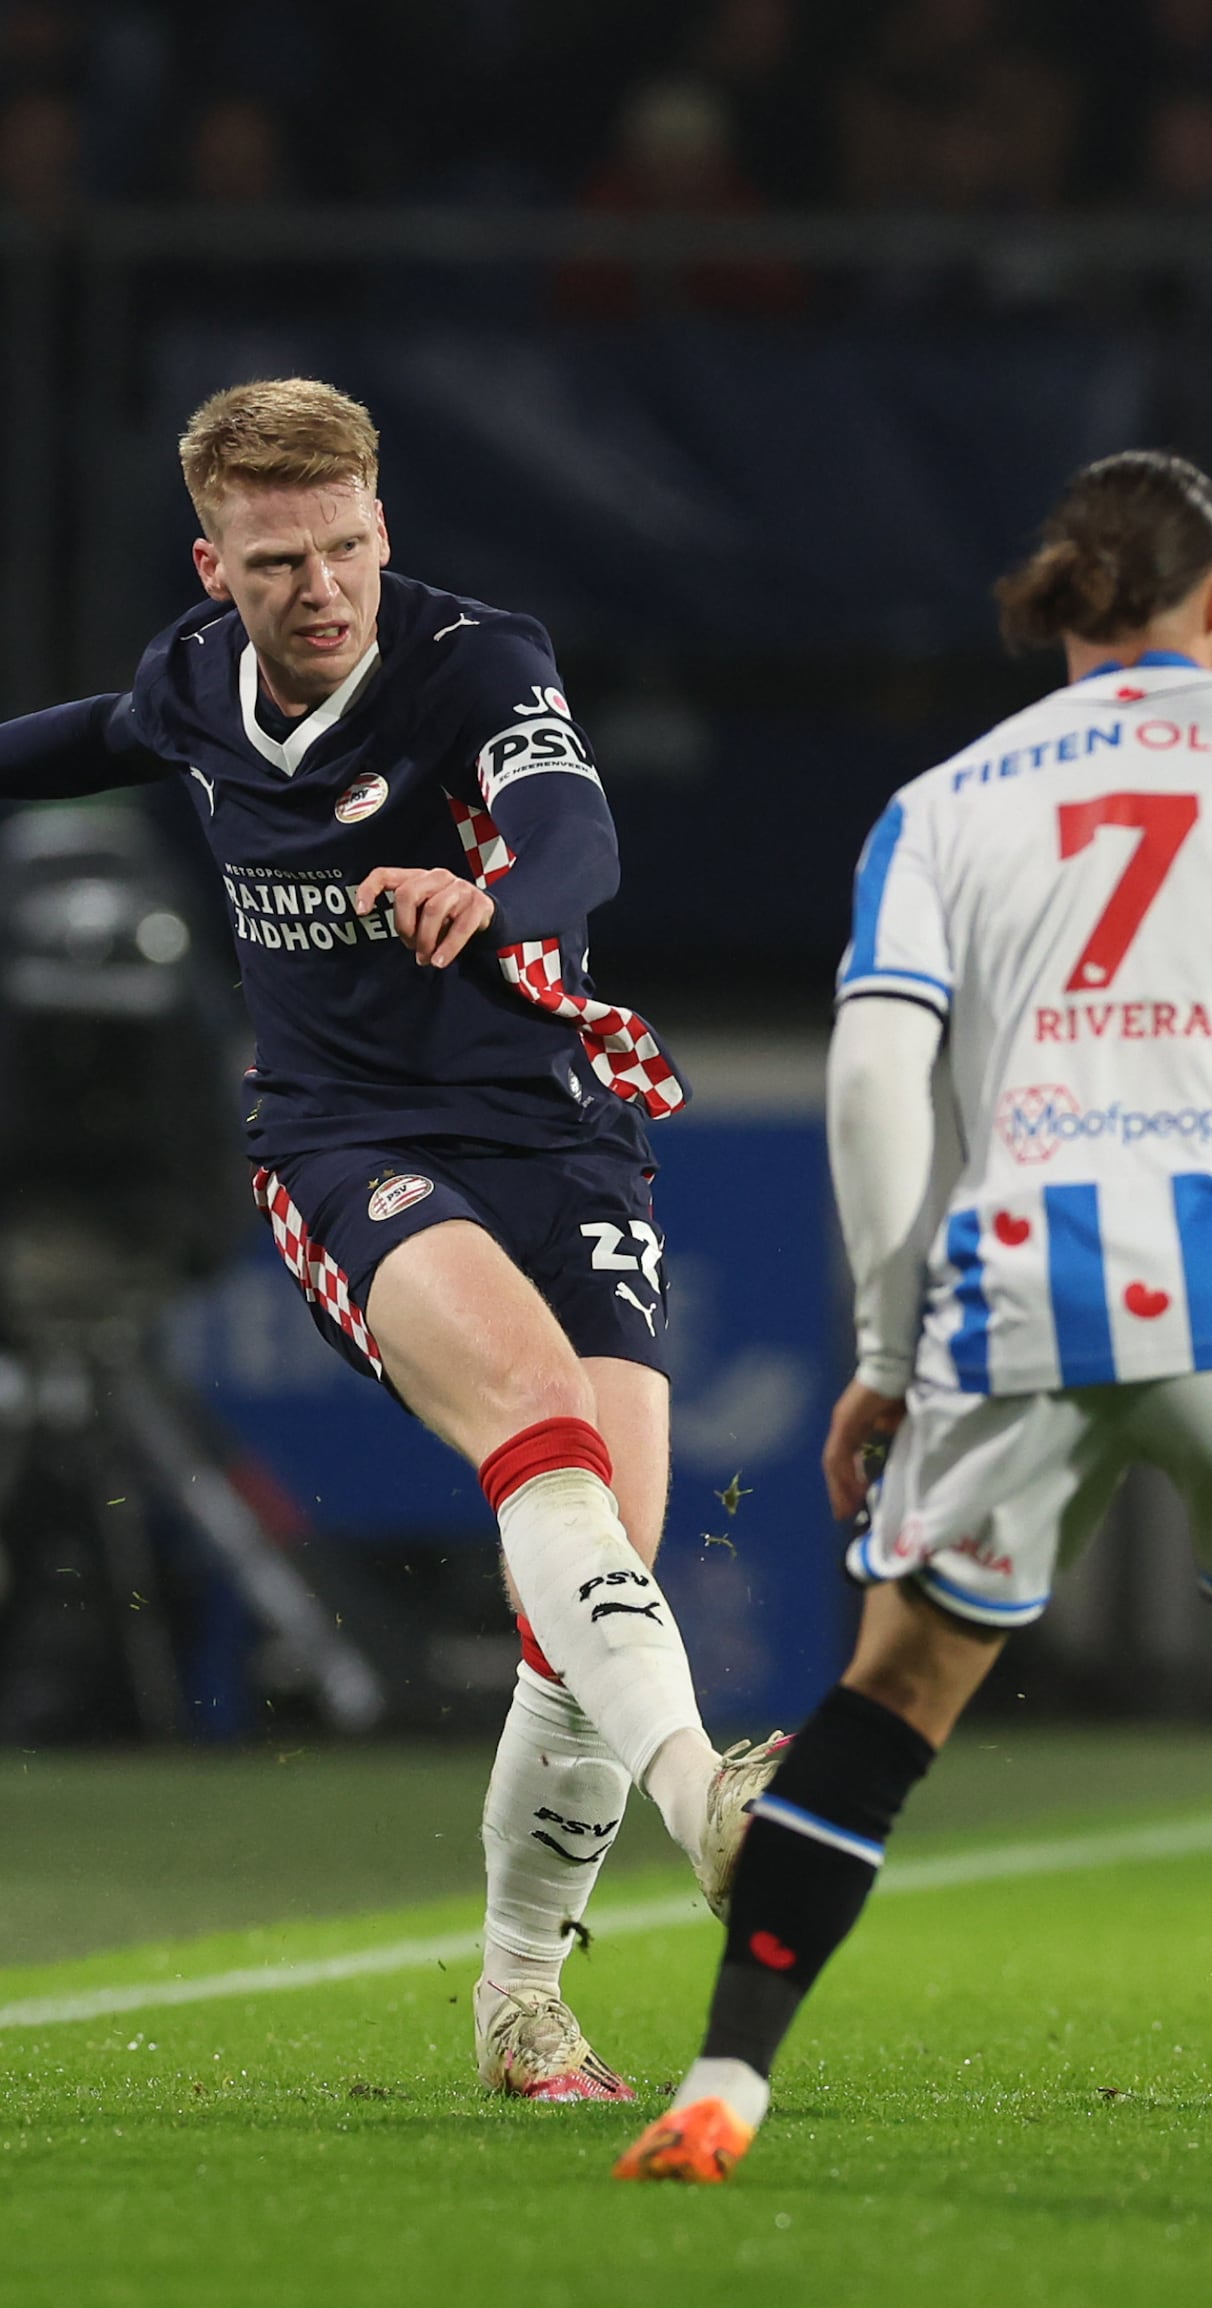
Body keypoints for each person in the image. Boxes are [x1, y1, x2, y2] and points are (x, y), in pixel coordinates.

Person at [614, 449, 1212, 2189]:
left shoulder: (944, 801)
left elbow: (878, 1082)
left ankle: (725, 2082)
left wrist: (884, 1346)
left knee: (891, 1702)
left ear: (1059, 610)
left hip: (1027, 1277)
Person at [0, 378, 784, 2102]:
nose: (323, 588)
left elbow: (577, 828)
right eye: (279, 561)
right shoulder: (191, 685)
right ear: (217, 565)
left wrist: (498, 899)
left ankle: (521, 2000)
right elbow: (64, 748)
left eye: (347, 544)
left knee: (591, 1582)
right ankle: (707, 1799)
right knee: (539, 1429)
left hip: (556, 1133)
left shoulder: (476, 661)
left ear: (380, 526)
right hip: (348, 1144)